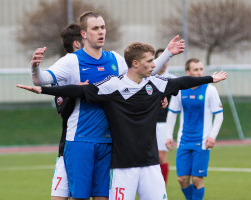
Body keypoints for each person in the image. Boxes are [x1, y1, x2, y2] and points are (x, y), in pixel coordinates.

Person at [16, 42, 227, 200]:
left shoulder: (157, 83)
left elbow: (182, 81)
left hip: (151, 165)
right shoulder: (112, 86)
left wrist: (210, 78)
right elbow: (77, 90)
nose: (155, 65)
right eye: (150, 61)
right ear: (135, 64)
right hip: (122, 168)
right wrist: (43, 89)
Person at [30, 11, 185, 200]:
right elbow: (41, 80)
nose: (101, 32)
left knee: (103, 198)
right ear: (84, 34)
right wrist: (35, 67)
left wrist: (167, 54)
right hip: (80, 140)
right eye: (95, 28)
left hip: (110, 143)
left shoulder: (115, 60)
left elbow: (143, 73)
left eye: (103, 27)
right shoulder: (72, 61)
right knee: (79, 197)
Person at [165, 58, 224, 200]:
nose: (199, 73)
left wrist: (212, 136)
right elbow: (172, 113)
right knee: (182, 179)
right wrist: (168, 135)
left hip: (202, 142)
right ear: (187, 72)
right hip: (184, 141)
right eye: (196, 70)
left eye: (201, 69)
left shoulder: (210, 90)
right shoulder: (180, 91)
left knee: (197, 180)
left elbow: (219, 116)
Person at [51, 23, 84, 200]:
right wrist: (76, 91)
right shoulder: (61, 71)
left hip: (100, 143)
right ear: (77, 43)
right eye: (85, 36)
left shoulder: (102, 64)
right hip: (69, 145)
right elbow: (63, 109)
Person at [154, 48, 177, 185]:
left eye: (166, 59)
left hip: (163, 123)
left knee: (162, 157)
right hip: (148, 122)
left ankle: (162, 188)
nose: (164, 62)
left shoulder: (172, 79)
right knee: (152, 157)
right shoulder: (149, 77)